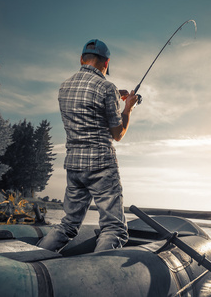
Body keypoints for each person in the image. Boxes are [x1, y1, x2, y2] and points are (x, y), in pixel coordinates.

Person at [38, 39, 138, 252]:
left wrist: (115, 95)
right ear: (107, 63)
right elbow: (118, 133)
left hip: (74, 166)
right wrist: (128, 107)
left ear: (82, 59)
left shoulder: (64, 86)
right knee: (114, 229)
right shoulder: (106, 87)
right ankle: (102, 281)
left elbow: (87, 99)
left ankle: (33, 260)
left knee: (68, 225)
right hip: (101, 165)